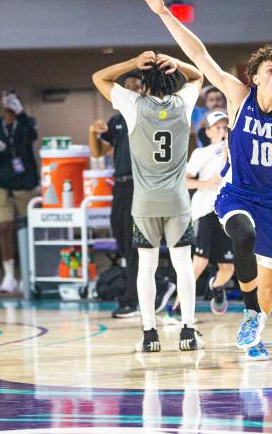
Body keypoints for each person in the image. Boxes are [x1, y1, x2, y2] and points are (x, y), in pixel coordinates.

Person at [136, 0, 272, 360]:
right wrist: (165, 14)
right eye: (271, 69)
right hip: (236, 195)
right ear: (256, 76)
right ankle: (247, 311)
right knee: (242, 235)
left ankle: (255, 326)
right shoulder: (237, 96)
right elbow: (199, 55)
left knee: (271, 286)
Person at [92, 51, 205, 352]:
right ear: (173, 80)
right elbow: (199, 76)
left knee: (146, 267)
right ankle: (188, 331)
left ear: (144, 83)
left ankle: (149, 333)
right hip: (178, 201)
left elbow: (98, 78)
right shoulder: (183, 103)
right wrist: (178, 63)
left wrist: (132, 63)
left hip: (144, 204)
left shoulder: (133, 105)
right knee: (183, 266)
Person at [89, 71, 175, 318]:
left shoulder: (150, 114)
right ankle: (159, 283)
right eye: (126, 88)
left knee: (138, 242)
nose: (130, 91)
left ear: (145, 90)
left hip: (142, 183)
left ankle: (131, 300)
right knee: (123, 239)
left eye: (135, 87)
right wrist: (92, 132)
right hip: (121, 185)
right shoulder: (116, 119)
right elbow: (98, 152)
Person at [0, 90, 38, 293]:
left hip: (25, 184)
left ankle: (27, 274)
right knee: (6, 227)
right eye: (5, 98)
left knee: (26, 229)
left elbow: (33, 135)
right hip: (3, 183)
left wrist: (21, 112)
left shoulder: (25, 122)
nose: (8, 103)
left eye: (12, 99)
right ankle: (9, 275)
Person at [185, 110, 235, 316]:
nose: (222, 131)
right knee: (200, 262)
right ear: (208, 132)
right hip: (204, 209)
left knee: (228, 268)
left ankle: (216, 286)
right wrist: (206, 183)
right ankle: (178, 308)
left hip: (226, 210)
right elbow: (185, 181)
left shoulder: (234, 148)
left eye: (225, 127)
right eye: (218, 128)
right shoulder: (201, 154)